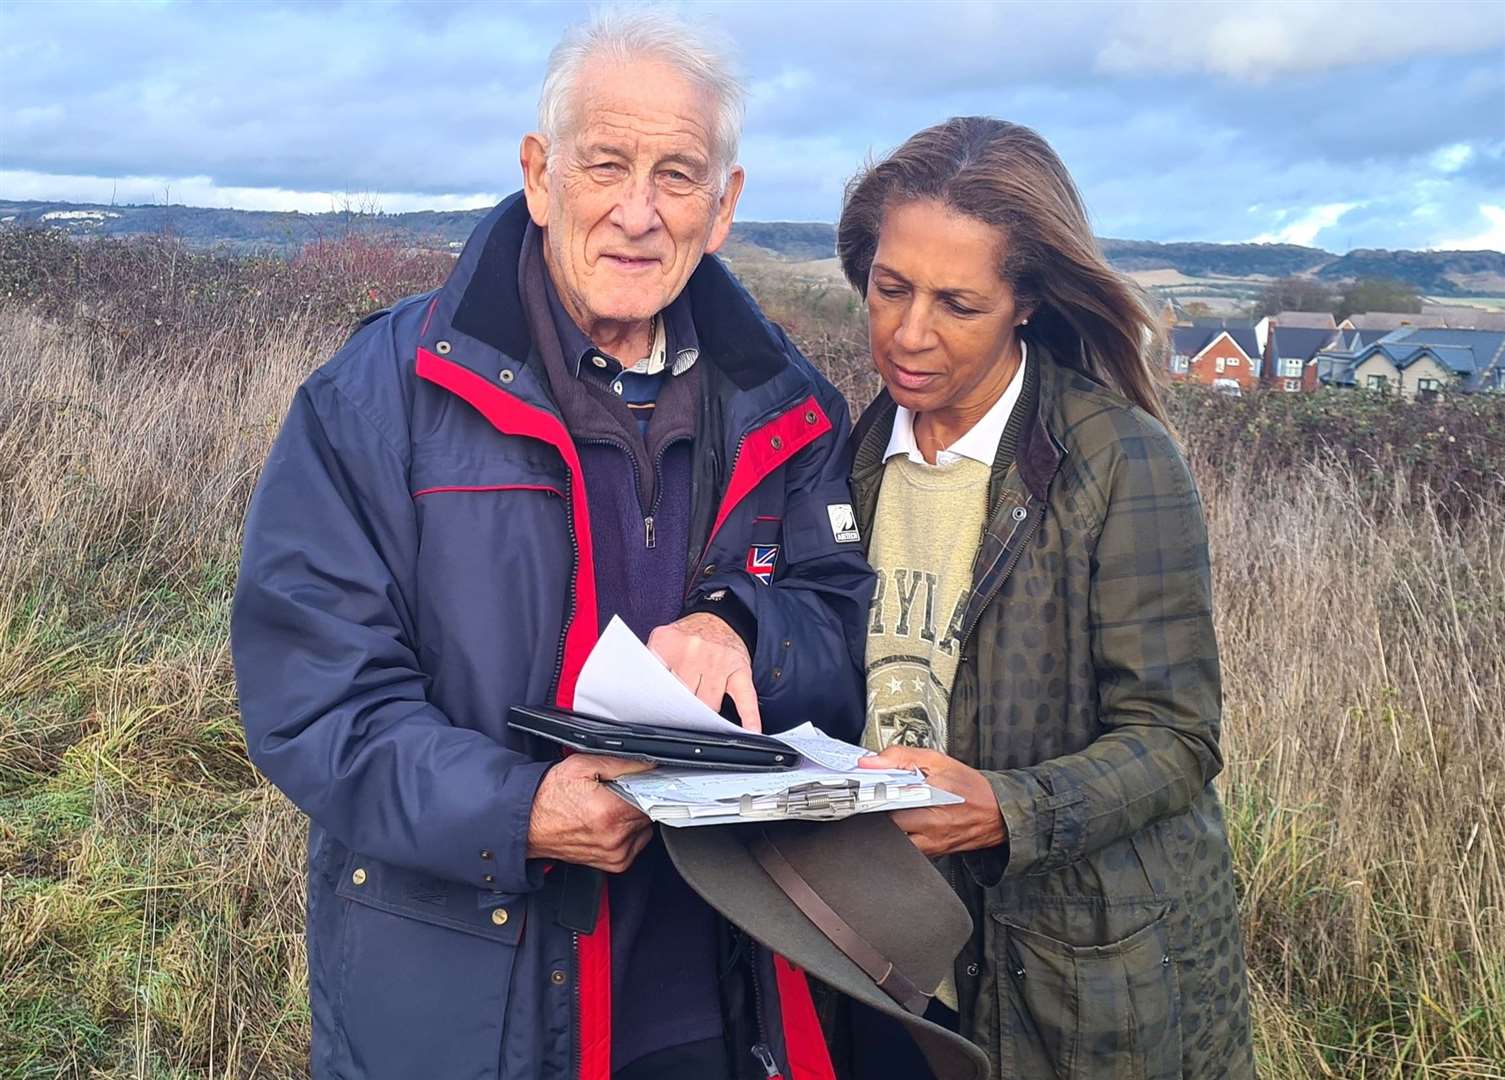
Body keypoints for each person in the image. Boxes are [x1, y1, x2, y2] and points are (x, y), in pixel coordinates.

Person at [229, 12, 871, 1080]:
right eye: (605, 163)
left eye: (676, 174)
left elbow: (845, 620)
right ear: (538, 174)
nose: (637, 211)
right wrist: (519, 809)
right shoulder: (376, 399)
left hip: (730, 996)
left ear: (725, 205)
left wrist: (740, 623)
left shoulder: (787, 403)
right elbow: (315, 698)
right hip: (475, 1003)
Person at [834, 117, 1254, 1078]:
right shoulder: (843, 464)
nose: (908, 332)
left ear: (1025, 301)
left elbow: (1177, 739)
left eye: (957, 304)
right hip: (886, 963)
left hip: (1071, 980)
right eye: (889, 288)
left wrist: (1006, 811)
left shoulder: (1116, 462)